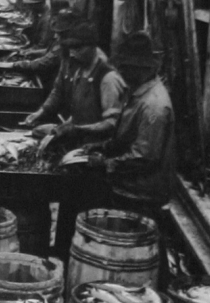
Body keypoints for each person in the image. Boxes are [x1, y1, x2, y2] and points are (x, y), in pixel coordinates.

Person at [25, 15, 128, 259]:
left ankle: (79, 258)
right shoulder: (79, 67)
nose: (72, 53)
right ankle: (60, 255)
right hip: (77, 156)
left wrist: (79, 130)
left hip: (95, 160)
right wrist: (58, 126)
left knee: (86, 214)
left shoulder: (108, 77)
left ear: (93, 46)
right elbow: (72, 102)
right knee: (68, 209)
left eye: (78, 48)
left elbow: (114, 122)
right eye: (70, 48)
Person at [92, 30, 177, 215]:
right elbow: (127, 136)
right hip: (127, 186)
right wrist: (103, 146)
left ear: (143, 68)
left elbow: (144, 157)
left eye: (126, 67)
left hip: (141, 194)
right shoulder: (137, 91)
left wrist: (106, 164)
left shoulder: (154, 106)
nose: (121, 71)